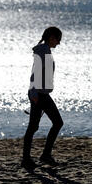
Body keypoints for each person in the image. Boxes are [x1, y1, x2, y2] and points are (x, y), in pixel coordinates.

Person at [22, 26, 64, 169]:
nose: (58, 43)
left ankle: (39, 156)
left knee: (36, 126)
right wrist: (33, 94)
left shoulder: (44, 51)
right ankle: (31, 158)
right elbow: (35, 73)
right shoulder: (43, 51)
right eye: (58, 39)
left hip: (42, 94)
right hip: (39, 95)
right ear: (52, 37)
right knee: (53, 123)